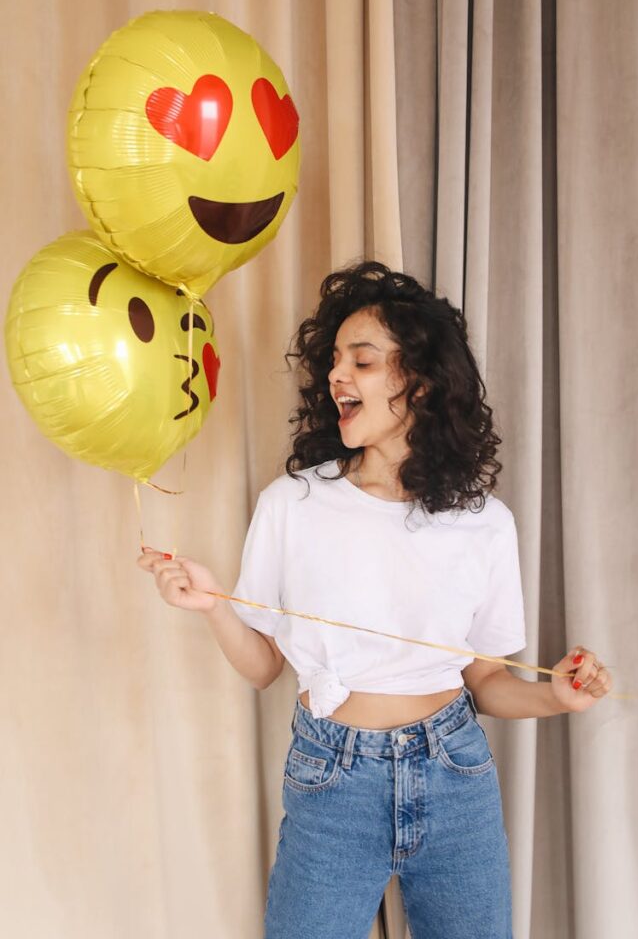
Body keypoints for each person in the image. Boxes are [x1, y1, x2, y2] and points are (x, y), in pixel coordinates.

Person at [138, 261, 612, 939]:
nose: (337, 377)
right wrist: (214, 604)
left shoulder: (483, 522)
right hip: (332, 777)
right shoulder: (292, 504)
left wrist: (556, 698)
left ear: (417, 381)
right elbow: (266, 665)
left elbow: (485, 680)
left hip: (453, 771)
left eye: (360, 362)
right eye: (334, 361)